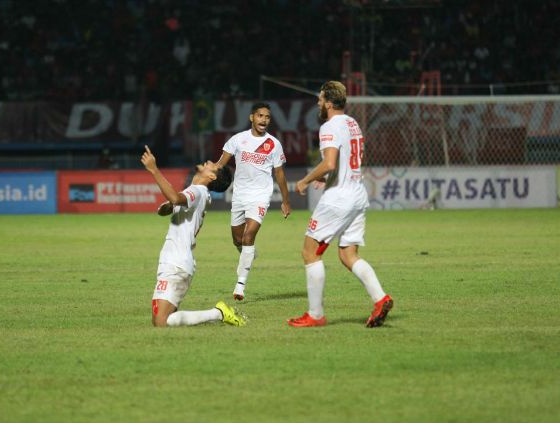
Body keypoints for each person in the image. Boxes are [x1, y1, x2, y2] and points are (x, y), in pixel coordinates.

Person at [287, 81, 393, 328]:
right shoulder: (352, 123)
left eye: (321, 99)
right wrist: (326, 177)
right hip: (357, 194)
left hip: (339, 199)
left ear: (329, 103)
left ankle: (315, 315)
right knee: (348, 254)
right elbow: (342, 162)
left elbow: (330, 162)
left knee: (309, 252)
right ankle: (381, 298)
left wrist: (306, 179)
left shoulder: (329, 126)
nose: (318, 103)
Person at [141, 145, 245, 327]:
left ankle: (218, 313)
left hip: (176, 263)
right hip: (177, 261)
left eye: (214, 165)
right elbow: (174, 203)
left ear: (212, 176)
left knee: (161, 322)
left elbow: (175, 198)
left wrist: (154, 169)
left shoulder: (197, 191)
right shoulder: (199, 192)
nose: (210, 162)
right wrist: (171, 207)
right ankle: (218, 313)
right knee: (162, 321)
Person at [216, 102, 291, 301]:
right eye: (260, 116)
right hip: (239, 195)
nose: (263, 120)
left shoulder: (274, 144)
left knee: (249, 237)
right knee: (238, 240)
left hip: (260, 196)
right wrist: (205, 180)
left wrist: (286, 201)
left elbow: (280, 174)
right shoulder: (238, 140)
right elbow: (220, 164)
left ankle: (240, 285)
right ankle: (249, 254)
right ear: (252, 118)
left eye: (267, 117)